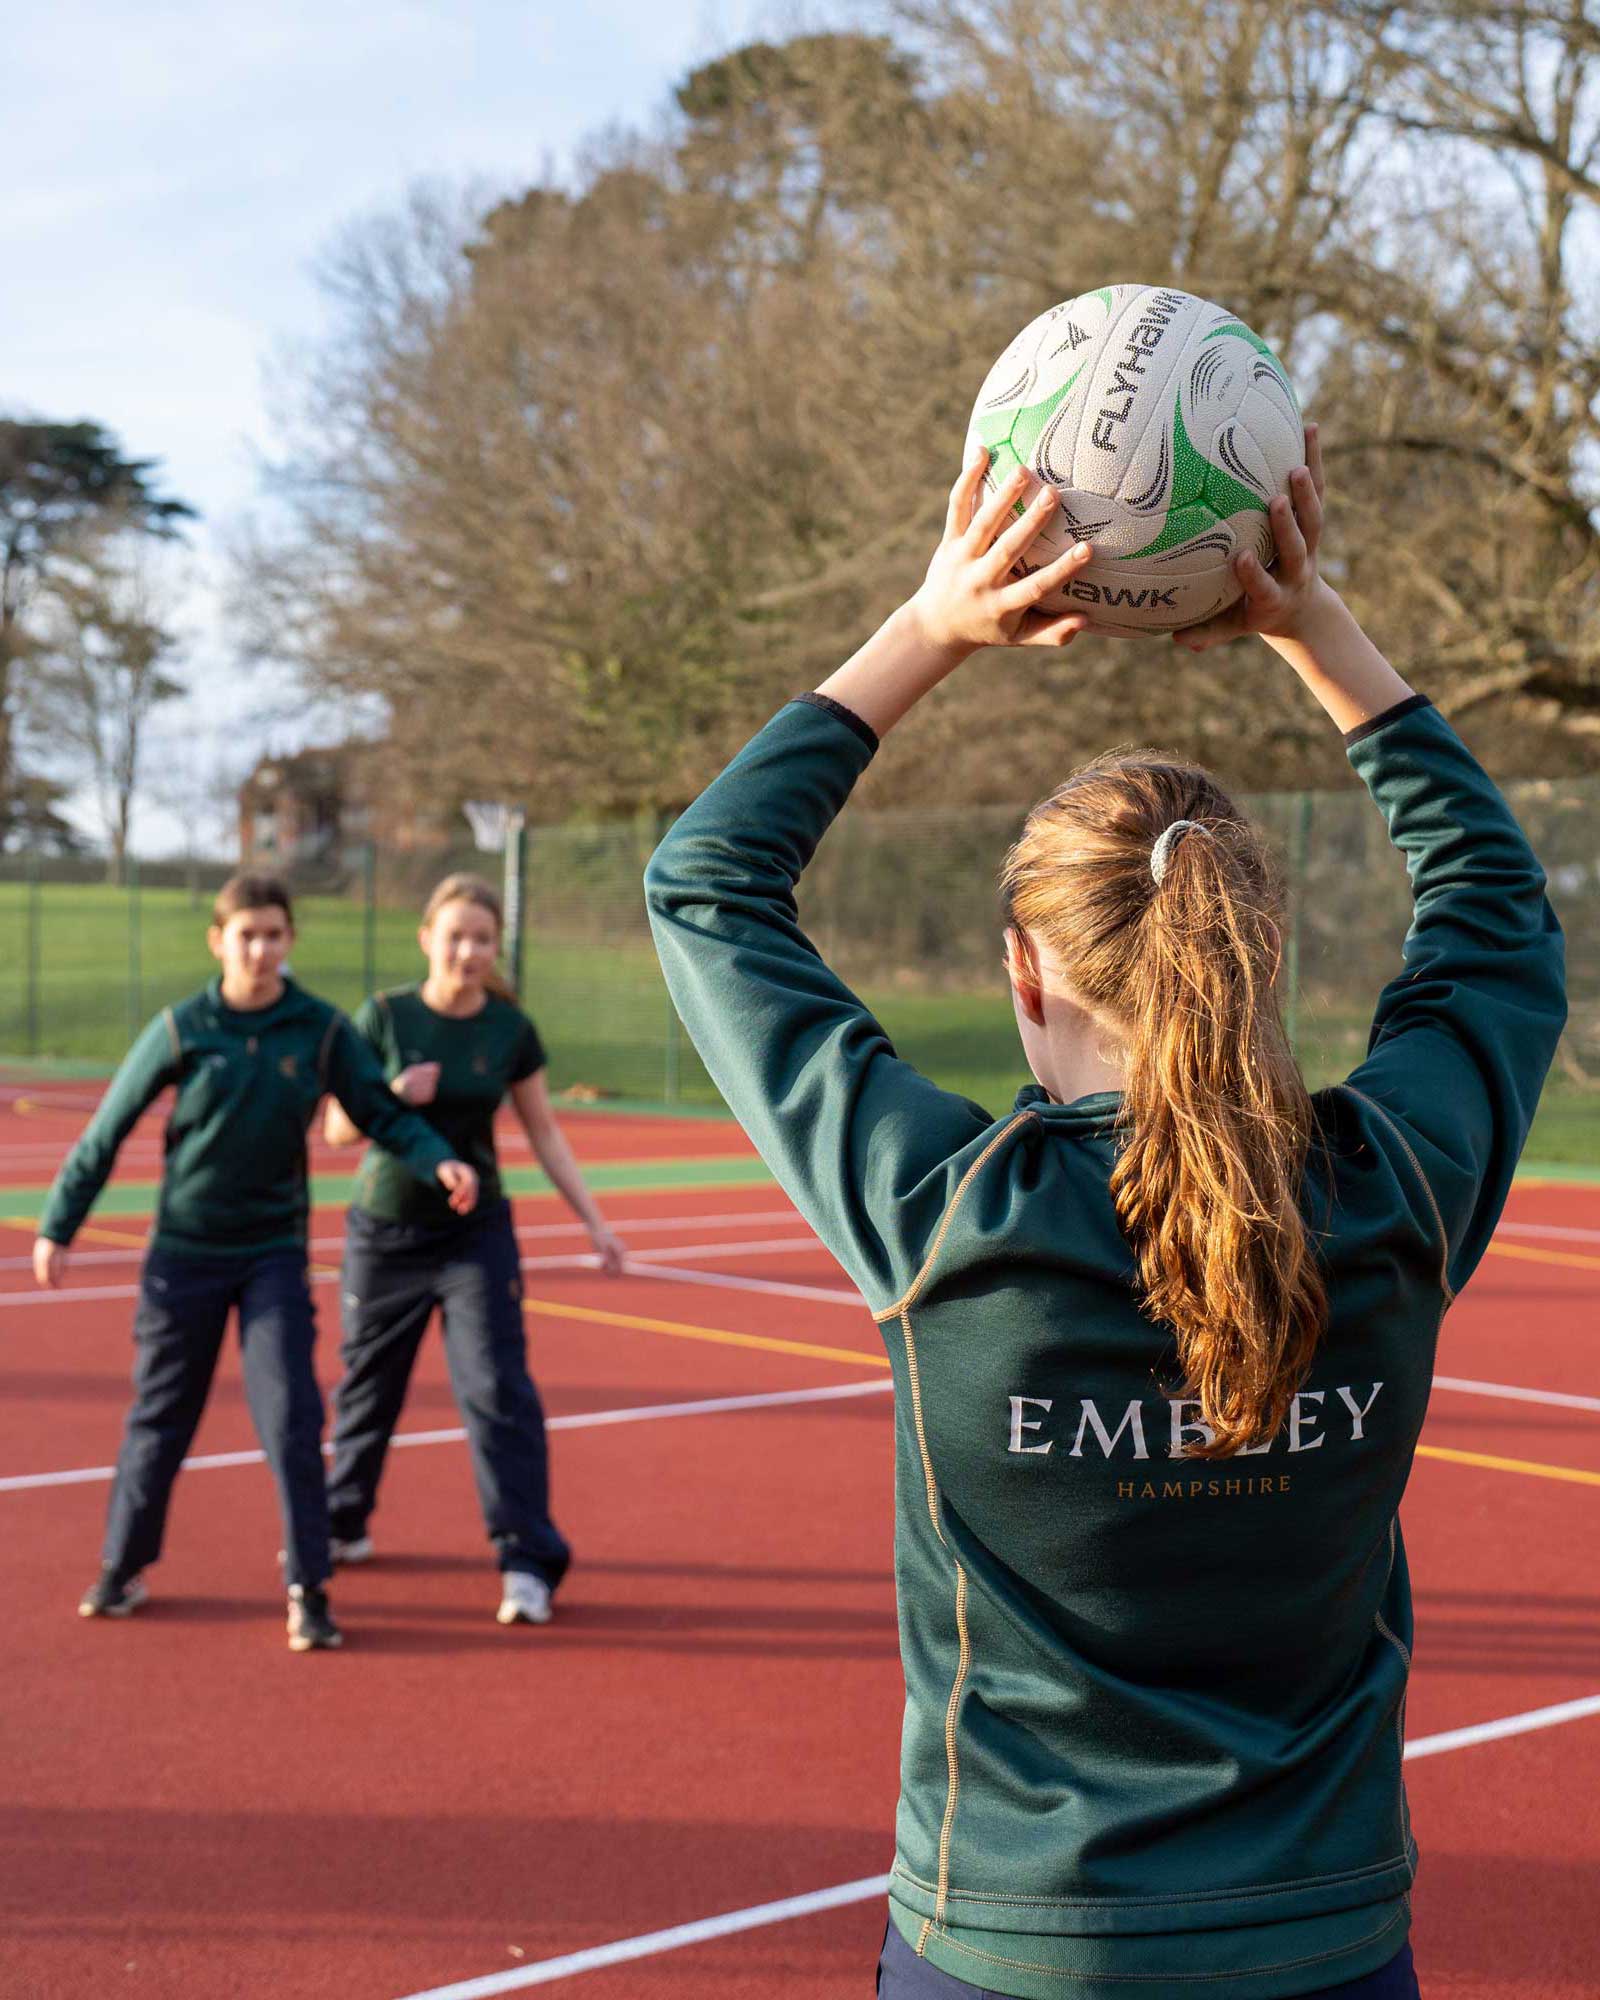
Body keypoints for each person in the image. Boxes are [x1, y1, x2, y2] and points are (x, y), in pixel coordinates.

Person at [644, 429, 1566, 1999]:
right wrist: (1313, 628)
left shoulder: (948, 1214)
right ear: (1260, 954)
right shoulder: (1393, 1184)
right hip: (1325, 1944)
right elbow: (1497, 913)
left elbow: (708, 884)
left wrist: (935, 623)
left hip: (1015, 1946)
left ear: (1024, 972)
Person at [32, 872, 479, 1653]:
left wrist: (436, 1157)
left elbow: (379, 1111)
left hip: (272, 1254)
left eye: (274, 935)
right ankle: (122, 1565)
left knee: (291, 1416)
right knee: (161, 1415)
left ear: (290, 940)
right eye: (246, 935)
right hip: (184, 1256)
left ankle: (309, 1587)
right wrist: (58, 1225)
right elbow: (108, 1128)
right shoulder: (183, 1028)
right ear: (219, 941)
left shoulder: (319, 1029)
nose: (261, 950)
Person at [321, 872, 625, 1626]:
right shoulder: (384, 1016)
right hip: (386, 1233)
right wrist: (394, 1093)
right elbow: (336, 1129)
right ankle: (343, 1520)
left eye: (482, 939)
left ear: (496, 947)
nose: (468, 952)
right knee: (368, 1387)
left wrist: (594, 1222)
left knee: (497, 1390)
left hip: (475, 1234)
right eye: (455, 936)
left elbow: (544, 1131)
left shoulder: (509, 1030)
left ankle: (526, 1562)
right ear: (427, 938)